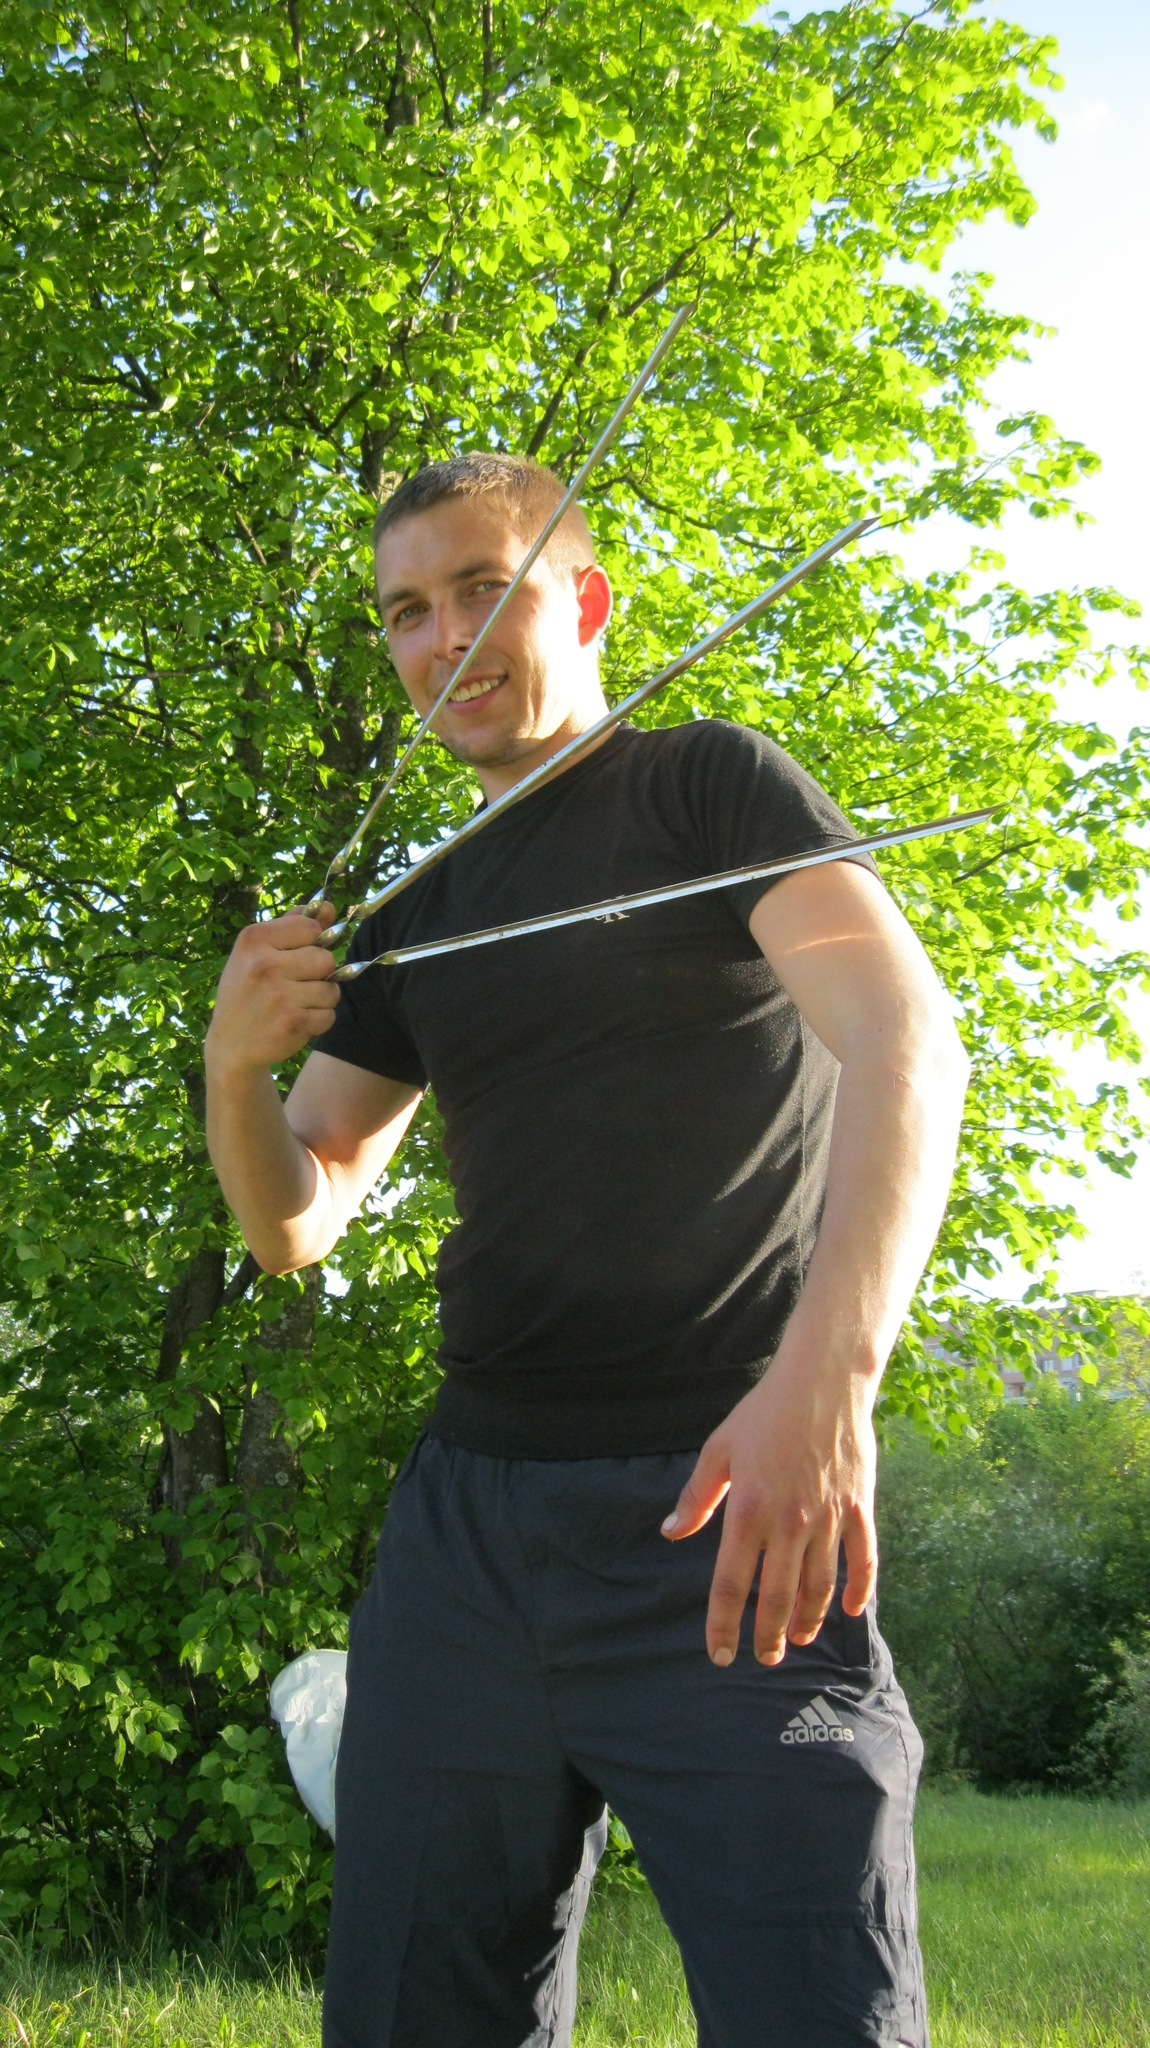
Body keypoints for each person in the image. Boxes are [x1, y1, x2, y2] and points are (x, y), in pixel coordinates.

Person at [204, 453, 969, 2048]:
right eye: (406, 611)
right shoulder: (421, 904)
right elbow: (296, 1220)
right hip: (465, 1539)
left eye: (484, 587)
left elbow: (905, 1042)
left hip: (727, 1504)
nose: (444, 637)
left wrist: (826, 1387)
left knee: (815, 2009)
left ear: (586, 599)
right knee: (415, 2011)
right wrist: (232, 1073)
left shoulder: (707, 787)